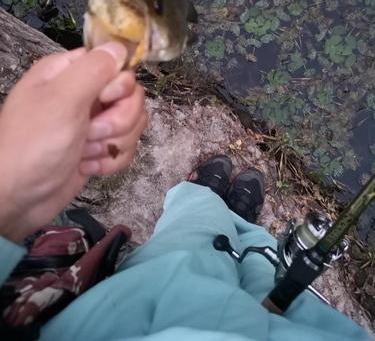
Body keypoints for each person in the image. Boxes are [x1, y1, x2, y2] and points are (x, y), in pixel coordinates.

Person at [0, 42, 371, 341]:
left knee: (190, 238)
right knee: (262, 262)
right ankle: (237, 221)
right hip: (301, 328)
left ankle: (204, 199)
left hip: (124, 315)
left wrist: (12, 194)